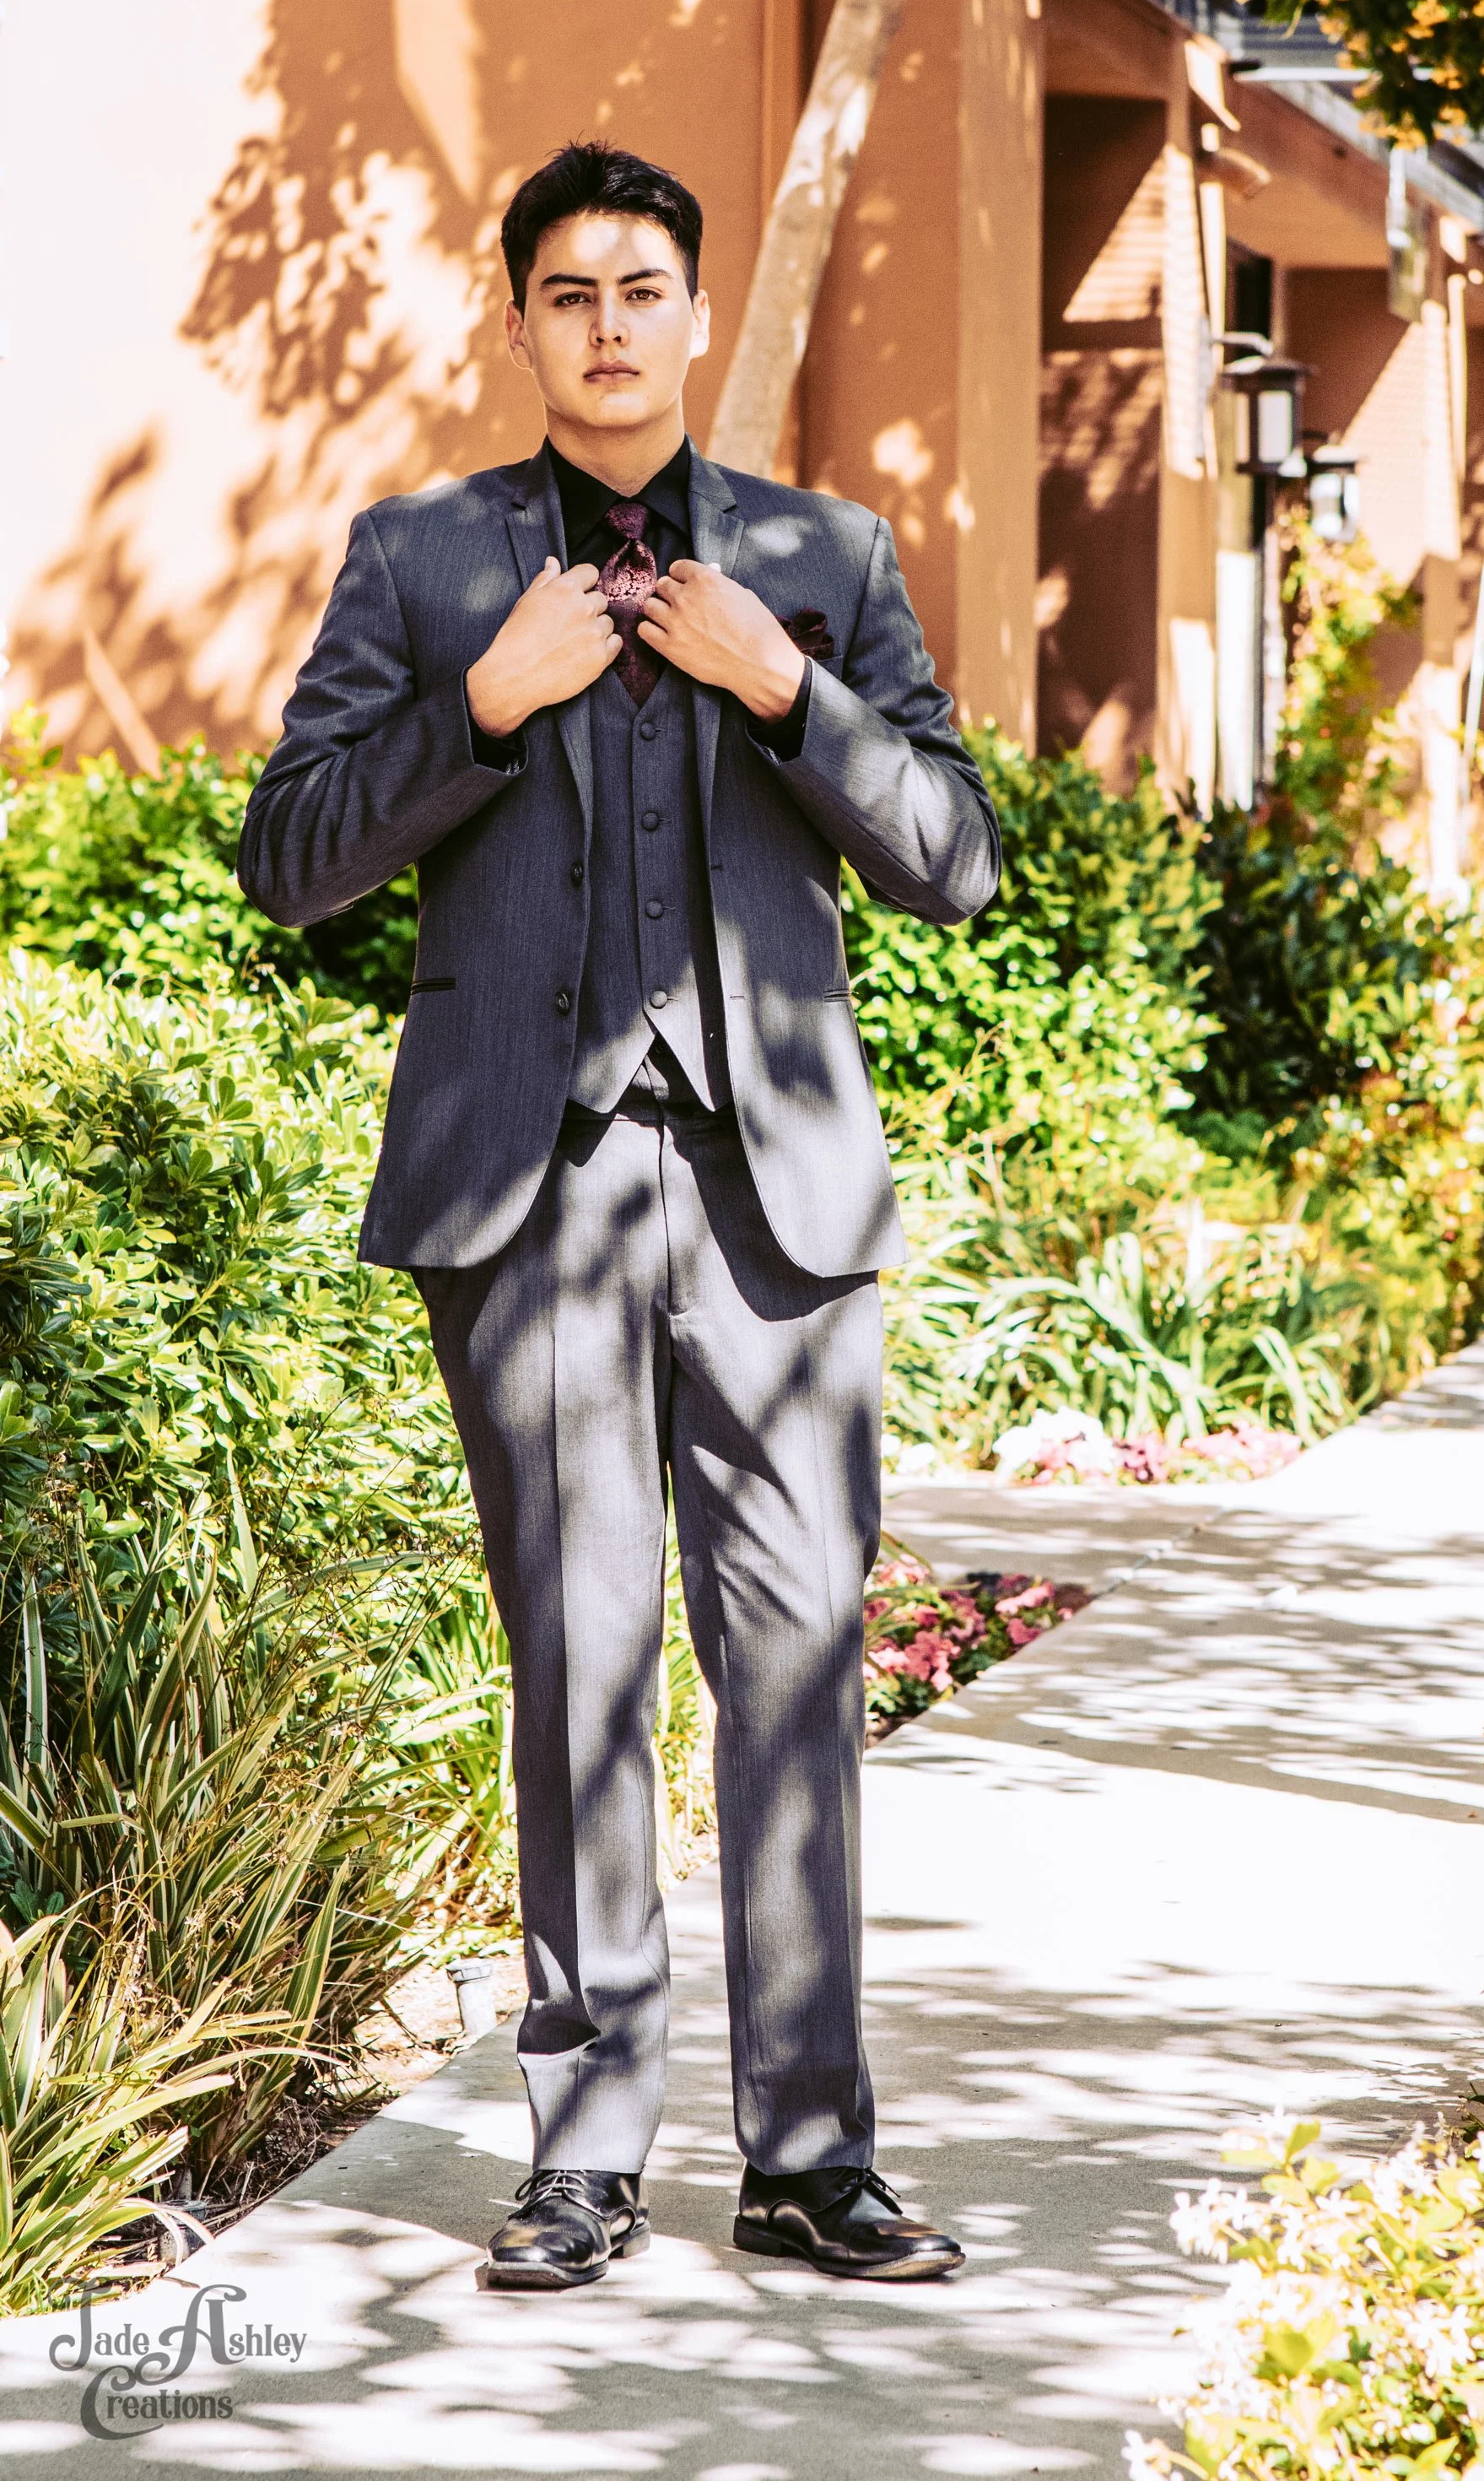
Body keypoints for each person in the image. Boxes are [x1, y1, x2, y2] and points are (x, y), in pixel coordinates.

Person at [239, 141, 999, 2292]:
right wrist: (484, 707)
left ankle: (812, 2154)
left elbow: (952, 852)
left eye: (642, 287)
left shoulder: (821, 557)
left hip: (776, 1194)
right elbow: (287, 854)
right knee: (575, 1670)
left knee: (797, 1668)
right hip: (537, 1190)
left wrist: (783, 685)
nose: (607, 323)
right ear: (521, 321)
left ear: (690, 308)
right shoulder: (419, 563)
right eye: (567, 291)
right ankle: (583, 2150)